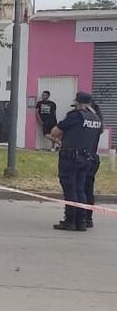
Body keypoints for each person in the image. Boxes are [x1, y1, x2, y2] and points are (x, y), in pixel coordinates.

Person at [50, 92, 103, 231]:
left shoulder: (76, 116)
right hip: (87, 159)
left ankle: (70, 220)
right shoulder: (96, 118)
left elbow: (54, 131)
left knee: (70, 189)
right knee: (81, 189)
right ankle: (81, 221)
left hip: (71, 158)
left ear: (78, 103)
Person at [83, 102, 104, 228]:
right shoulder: (98, 125)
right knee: (88, 189)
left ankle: (80, 217)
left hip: (84, 158)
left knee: (80, 188)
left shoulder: (84, 123)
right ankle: (88, 217)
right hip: (93, 158)